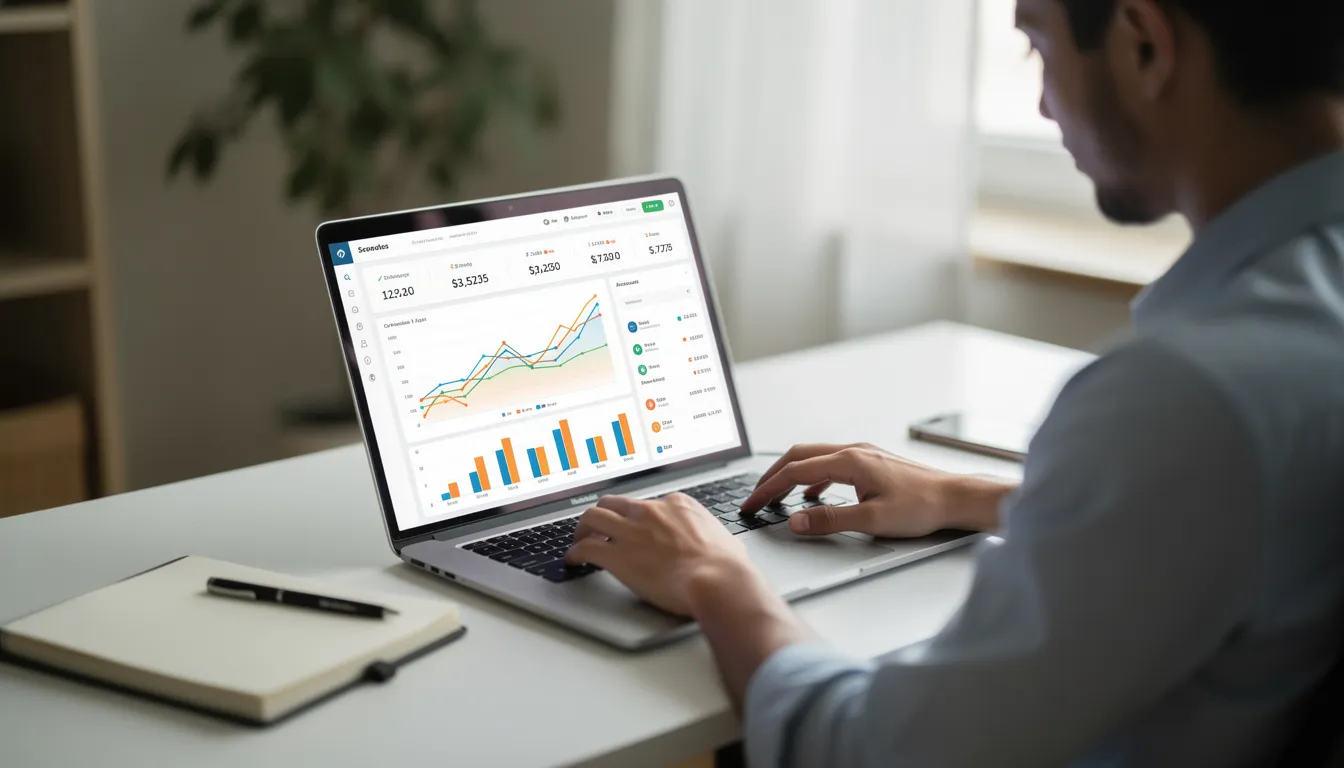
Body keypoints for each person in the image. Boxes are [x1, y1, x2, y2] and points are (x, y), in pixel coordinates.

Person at [566, 0, 1344, 764]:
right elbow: (1235, 516)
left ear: (1145, 44)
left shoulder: (1183, 399)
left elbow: (861, 749)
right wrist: (967, 496)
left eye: (1038, 46)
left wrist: (715, 577)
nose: (1042, 100)